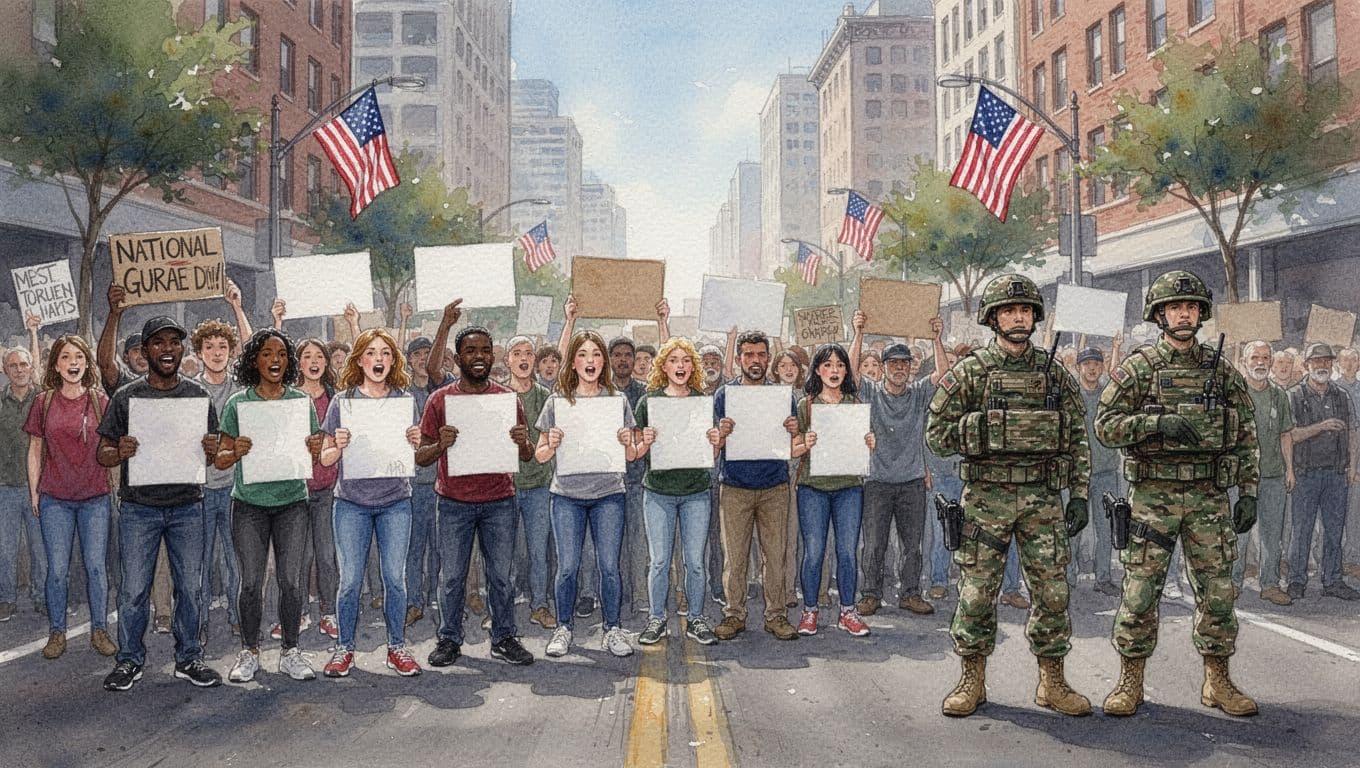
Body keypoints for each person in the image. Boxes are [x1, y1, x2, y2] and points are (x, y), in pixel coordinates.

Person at [926, 274, 1092, 718]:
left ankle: (1052, 682)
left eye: (1025, 311)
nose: (1018, 318)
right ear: (993, 318)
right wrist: (985, 429)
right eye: (1009, 311)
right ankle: (971, 680)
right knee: (978, 594)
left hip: (1042, 498)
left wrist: (1079, 494)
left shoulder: (1054, 372)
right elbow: (937, 435)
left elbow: (1077, 437)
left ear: (1035, 318)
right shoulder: (972, 372)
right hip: (986, 498)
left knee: (1053, 593)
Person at [1096, 269, 1260, 717]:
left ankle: (1218, 681)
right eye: (1175, 307)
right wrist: (1154, 424)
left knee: (1218, 591)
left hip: (1208, 496)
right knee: (1141, 591)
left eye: (1190, 307)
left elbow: (1245, 433)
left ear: (1200, 314)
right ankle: (1130, 681)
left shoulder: (1221, 370)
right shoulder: (1139, 368)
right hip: (1153, 497)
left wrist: (1248, 490)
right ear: (1159, 315)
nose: (1184, 314)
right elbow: (1105, 426)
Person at [97, 315, 222, 691]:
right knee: (134, 589)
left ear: (182, 349)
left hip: (187, 505)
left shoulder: (198, 395)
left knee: (190, 587)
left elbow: (214, 453)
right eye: (158, 342)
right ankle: (130, 660)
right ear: (146, 350)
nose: (167, 349)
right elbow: (102, 452)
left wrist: (213, 449)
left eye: (174, 342)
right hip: (139, 508)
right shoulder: (126, 397)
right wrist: (117, 451)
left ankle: (189, 657)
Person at [419, 304, 536, 669]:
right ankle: (450, 638)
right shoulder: (440, 400)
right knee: (452, 577)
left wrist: (522, 442)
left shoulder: (507, 399)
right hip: (453, 502)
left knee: (502, 576)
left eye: (485, 350)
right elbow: (421, 457)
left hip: (500, 501)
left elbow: (529, 455)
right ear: (458, 358)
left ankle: (503, 637)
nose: (479, 357)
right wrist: (440, 445)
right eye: (471, 351)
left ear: (493, 355)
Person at [214, 329, 324, 683]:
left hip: (292, 502)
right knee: (250, 583)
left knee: (291, 582)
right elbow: (220, 460)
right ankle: (249, 652)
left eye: (281, 354)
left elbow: (317, 453)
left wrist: (314, 446)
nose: (275, 360)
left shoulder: (300, 402)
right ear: (254, 360)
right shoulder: (237, 404)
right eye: (266, 353)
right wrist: (236, 452)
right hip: (249, 505)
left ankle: (291, 651)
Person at [317, 329, 425, 677]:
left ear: (393, 361)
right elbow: (325, 459)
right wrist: (339, 445)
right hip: (351, 503)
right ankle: (344, 649)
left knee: (395, 578)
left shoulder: (405, 401)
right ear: (360, 360)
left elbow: (418, 454)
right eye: (371, 353)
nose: (378, 359)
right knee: (349, 581)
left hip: (395, 501)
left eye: (385, 353)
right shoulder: (341, 403)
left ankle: (397, 647)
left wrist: (416, 440)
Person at [535, 330, 648, 658]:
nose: (590, 361)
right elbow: (540, 454)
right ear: (573, 362)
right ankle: (564, 627)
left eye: (596, 355)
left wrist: (630, 442)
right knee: (568, 566)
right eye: (583, 355)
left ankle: (612, 629)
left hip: (609, 493)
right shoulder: (557, 402)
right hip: (567, 495)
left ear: (604, 362)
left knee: (609, 566)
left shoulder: (617, 401)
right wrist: (551, 443)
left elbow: (631, 456)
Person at [24, 335, 117, 659]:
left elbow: (113, 445)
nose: (73, 363)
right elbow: (35, 451)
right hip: (55, 499)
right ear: (56, 365)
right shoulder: (43, 402)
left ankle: (99, 630)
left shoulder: (99, 400)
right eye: (65, 357)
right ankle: (57, 632)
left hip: (95, 498)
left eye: (78, 356)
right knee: (57, 570)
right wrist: (35, 492)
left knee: (95, 568)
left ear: (86, 363)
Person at [849, 311, 948, 617]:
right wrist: (859, 332)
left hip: (912, 481)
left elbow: (943, 372)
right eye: (894, 364)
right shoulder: (871, 392)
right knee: (875, 545)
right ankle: (870, 594)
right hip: (877, 481)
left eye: (904, 364)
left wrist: (935, 337)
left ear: (910, 367)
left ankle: (910, 594)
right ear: (884, 367)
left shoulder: (918, 393)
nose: (900, 369)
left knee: (912, 546)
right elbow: (852, 371)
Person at [709, 331, 801, 641]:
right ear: (738, 360)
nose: (756, 361)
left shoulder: (783, 395)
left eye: (761, 355)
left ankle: (776, 615)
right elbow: (712, 446)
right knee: (735, 558)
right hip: (734, 486)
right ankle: (734, 614)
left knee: (774, 556)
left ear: (768, 358)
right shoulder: (723, 395)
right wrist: (721, 433)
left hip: (775, 486)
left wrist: (793, 428)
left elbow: (793, 443)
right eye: (748, 355)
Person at [635, 337, 722, 645]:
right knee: (659, 560)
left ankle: (696, 618)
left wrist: (716, 443)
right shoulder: (649, 402)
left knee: (695, 561)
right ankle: (657, 618)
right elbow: (635, 452)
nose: (680, 366)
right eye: (673, 360)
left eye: (686, 360)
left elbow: (710, 456)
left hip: (696, 490)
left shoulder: (702, 401)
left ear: (693, 366)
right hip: (658, 492)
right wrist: (644, 440)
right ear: (663, 367)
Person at [791, 343, 876, 638]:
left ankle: (848, 612)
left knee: (847, 552)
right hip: (812, 488)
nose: (835, 371)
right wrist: (805, 442)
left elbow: (863, 447)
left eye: (840, 365)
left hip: (849, 488)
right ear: (817, 370)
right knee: (814, 553)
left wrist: (868, 443)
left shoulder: (855, 405)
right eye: (828, 365)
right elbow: (792, 449)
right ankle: (810, 611)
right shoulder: (806, 406)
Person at [1285, 343, 1360, 601]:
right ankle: (1296, 581)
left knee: (1334, 531)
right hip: (1305, 473)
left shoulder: (1341, 395)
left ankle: (1333, 580)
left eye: (1326, 362)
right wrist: (1322, 426)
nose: (1322, 366)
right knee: (1302, 530)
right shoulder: (1294, 395)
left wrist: (1351, 465)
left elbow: (1352, 431)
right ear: (1306, 365)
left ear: (1332, 365)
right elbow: (1290, 435)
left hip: (1336, 474)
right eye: (1316, 362)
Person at [190, 319, 245, 643]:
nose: (216, 352)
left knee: (234, 558)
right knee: (201, 560)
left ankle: (237, 617)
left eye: (222, 347)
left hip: (234, 486)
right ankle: (199, 621)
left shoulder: (239, 391)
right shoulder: (190, 391)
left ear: (231, 352)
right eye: (209, 347)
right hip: (199, 489)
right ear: (198, 353)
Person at [288, 337, 341, 641]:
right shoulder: (290, 398)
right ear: (299, 363)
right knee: (299, 556)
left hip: (327, 488)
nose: (313, 361)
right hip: (296, 489)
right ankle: (298, 613)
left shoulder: (335, 398)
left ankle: (328, 613)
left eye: (318, 355)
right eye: (306, 355)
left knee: (325, 554)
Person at [1235, 341, 1295, 605]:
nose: (1260, 362)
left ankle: (1270, 584)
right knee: (1238, 534)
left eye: (1265, 357)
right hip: (1241, 478)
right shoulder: (1235, 393)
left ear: (1271, 362)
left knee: (1273, 535)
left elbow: (1286, 434)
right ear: (1245, 362)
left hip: (1273, 476)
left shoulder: (1278, 396)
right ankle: (1233, 583)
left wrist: (1289, 469)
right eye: (1255, 357)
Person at [505, 334, 557, 629]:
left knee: (538, 551)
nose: (523, 358)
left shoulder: (544, 397)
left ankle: (539, 605)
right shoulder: (499, 396)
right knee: (505, 553)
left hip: (538, 485)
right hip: (506, 487)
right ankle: (502, 607)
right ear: (508, 360)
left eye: (528, 353)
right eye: (517, 353)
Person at [1073, 345, 1123, 597]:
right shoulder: (1071, 397)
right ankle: (1069, 578)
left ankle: (1103, 577)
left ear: (1102, 368)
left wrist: (1115, 349)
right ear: (1078, 367)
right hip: (1077, 475)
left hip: (1105, 473)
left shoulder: (1108, 396)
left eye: (1096, 364)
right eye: (1086, 364)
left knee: (1105, 530)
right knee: (1074, 528)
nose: (1091, 368)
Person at [401, 335, 443, 628]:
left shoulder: (444, 391)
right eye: (417, 355)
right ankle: (414, 602)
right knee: (414, 548)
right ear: (409, 360)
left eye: (428, 354)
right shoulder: (400, 395)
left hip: (443, 481)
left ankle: (441, 602)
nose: (422, 360)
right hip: (413, 483)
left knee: (442, 548)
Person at [1, 346, 41, 623]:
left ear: (30, 367)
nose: (19, 370)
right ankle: (6, 598)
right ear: (5, 371)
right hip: (6, 486)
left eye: (23, 364)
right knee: (6, 547)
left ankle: (41, 597)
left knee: (41, 547)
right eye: (13, 365)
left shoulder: (43, 399)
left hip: (39, 486)